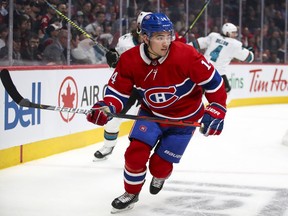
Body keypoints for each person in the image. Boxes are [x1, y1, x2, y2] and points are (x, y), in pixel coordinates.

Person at [86, 12, 227, 213]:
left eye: (168, 36)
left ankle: (160, 175)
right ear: (145, 37)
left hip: (184, 121)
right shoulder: (129, 59)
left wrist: (217, 108)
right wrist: (107, 107)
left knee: (159, 166)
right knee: (135, 155)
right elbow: (118, 92)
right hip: (151, 114)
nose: (166, 42)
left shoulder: (187, 55)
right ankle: (131, 193)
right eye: (159, 37)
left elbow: (214, 83)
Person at [93, 11, 152, 160]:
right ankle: (108, 146)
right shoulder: (125, 41)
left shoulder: (157, 42)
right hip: (129, 88)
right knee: (113, 118)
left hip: (151, 87)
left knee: (152, 120)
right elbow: (117, 62)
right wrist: (112, 59)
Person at [190, 23, 254, 95]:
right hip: (218, 73)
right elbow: (249, 58)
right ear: (227, 32)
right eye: (233, 33)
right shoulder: (234, 44)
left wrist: (183, 46)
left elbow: (196, 44)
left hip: (203, 69)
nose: (235, 35)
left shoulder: (213, 36)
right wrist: (251, 52)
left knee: (198, 93)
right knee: (226, 92)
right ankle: (218, 106)